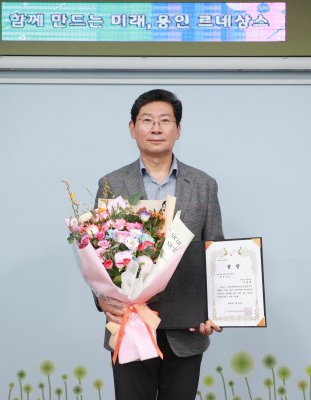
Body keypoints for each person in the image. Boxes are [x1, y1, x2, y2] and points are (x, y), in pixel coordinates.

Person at [95, 89, 224, 400]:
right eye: (147, 120)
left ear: (178, 129)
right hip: (130, 326)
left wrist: (217, 311)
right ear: (132, 128)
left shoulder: (204, 185)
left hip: (187, 331)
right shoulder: (111, 184)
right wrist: (102, 299)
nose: (156, 128)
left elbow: (215, 252)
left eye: (165, 121)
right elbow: (98, 253)